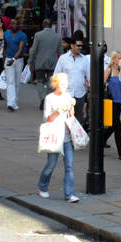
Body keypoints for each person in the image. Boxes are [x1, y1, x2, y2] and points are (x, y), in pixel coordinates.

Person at [37, 73, 79, 202]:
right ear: (56, 84)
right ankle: (42, 186)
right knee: (51, 164)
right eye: (62, 84)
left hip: (66, 137)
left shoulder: (67, 96)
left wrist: (72, 106)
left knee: (69, 166)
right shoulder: (50, 98)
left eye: (66, 84)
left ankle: (69, 194)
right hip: (54, 135)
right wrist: (58, 111)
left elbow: (71, 116)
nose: (65, 86)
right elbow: (46, 118)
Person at [54, 35, 90, 128]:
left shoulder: (84, 59)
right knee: (65, 117)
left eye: (81, 46)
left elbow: (89, 76)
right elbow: (56, 75)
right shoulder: (63, 58)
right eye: (78, 46)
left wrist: (89, 89)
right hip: (66, 94)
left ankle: (76, 139)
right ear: (72, 46)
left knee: (78, 119)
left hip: (80, 93)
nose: (80, 48)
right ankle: (66, 138)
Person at [28, 19, 63, 110]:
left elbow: (33, 50)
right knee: (50, 82)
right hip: (53, 63)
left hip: (40, 62)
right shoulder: (58, 36)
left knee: (39, 80)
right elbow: (61, 52)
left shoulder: (38, 35)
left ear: (43, 25)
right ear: (51, 26)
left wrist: (30, 61)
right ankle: (47, 99)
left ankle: (43, 98)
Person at [0, 18, 28, 111]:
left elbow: (20, 49)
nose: (14, 25)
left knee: (16, 82)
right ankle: (10, 103)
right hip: (8, 59)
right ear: (10, 25)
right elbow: (4, 47)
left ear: (18, 25)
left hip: (18, 60)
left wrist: (13, 59)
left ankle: (14, 102)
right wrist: (4, 59)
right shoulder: (6, 34)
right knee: (10, 81)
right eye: (12, 24)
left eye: (16, 24)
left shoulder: (22, 35)